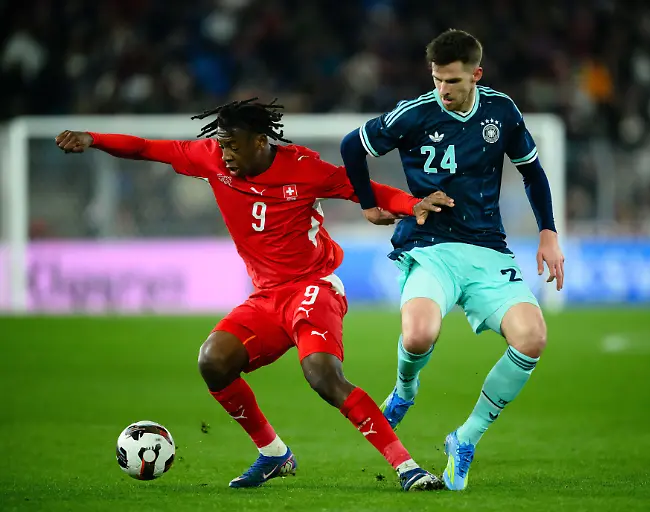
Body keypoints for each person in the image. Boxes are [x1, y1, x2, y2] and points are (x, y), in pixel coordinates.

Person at [55, 97, 451, 490]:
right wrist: (93, 138)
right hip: (266, 298)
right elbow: (146, 148)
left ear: (261, 141)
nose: (225, 154)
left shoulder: (304, 169)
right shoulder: (210, 158)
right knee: (213, 361)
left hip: (314, 287)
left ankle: (408, 467)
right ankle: (274, 453)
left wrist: (412, 203)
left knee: (322, 376)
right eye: (222, 144)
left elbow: (366, 189)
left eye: (233, 145)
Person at [339, 30, 565, 490]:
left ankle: (465, 438)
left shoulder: (501, 111)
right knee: (419, 334)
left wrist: (548, 232)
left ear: (476, 75)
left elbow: (532, 172)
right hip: (430, 247)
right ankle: (404, 392)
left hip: (486, 248)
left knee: (533, 337)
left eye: (454, 80)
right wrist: (368, 203)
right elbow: (351, 147)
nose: (444, 88)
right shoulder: (415, 113)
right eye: (438, 79)